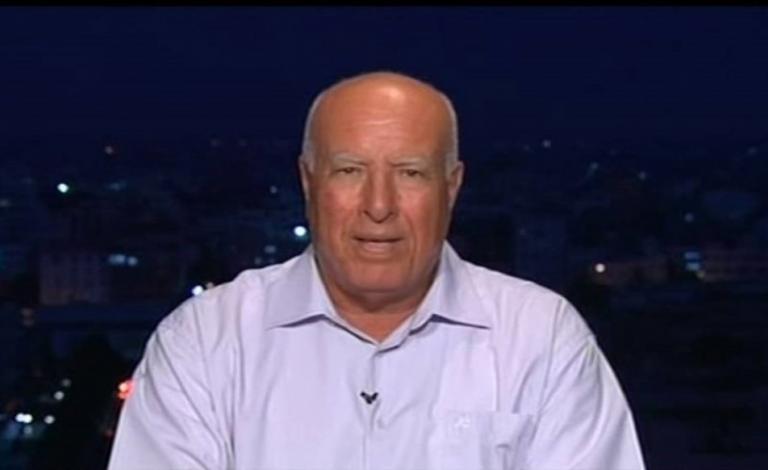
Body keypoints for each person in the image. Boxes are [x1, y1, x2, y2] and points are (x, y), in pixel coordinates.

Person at [108, 71, 646, 470]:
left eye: (410, 173)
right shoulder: (204, 341)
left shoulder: (541, 337)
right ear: (308, 182)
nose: (379, 206)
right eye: (350, 171)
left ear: (452, 187)